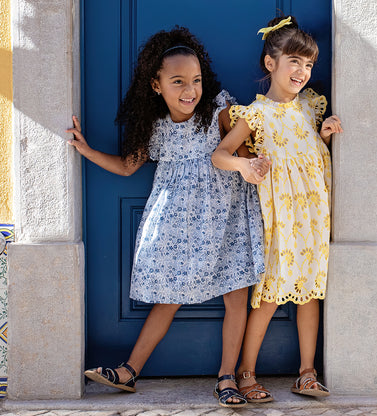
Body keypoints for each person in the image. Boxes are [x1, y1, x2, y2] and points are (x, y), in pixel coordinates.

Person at [66, 27, 268, 408]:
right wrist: (87, 150)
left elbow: (239, 149)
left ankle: (227, 376)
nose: (190, 90)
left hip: (226, 217)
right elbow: (128, 167)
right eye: (178, 82)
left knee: (235, 295)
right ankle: (129, 370)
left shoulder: (220, 109)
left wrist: (252, 164)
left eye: (195, 80)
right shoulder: (155, 126)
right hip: (178, 225)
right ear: (157, 85)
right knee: (167, 297)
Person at [212, 15, 343, 401]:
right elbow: (219, 155)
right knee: (270, 295)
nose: (302, 71)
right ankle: (246, 373)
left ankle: (307, 372)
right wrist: (245, 164)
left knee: (310, 293)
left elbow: (307, 153)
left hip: (315, 218)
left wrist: (323, 135)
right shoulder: (256, 115)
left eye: (308, 64)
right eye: (294, 62)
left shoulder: (310, 108)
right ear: (271, 63)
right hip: (281, 221)